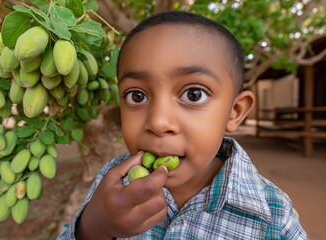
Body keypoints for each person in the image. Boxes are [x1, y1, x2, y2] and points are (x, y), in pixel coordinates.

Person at [58, 11, 307, 239]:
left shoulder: (274, 217)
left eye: (194, 94)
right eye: (137, 96)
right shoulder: (112, 182)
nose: (157, 122)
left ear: (235, 112)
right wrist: (95, 227)